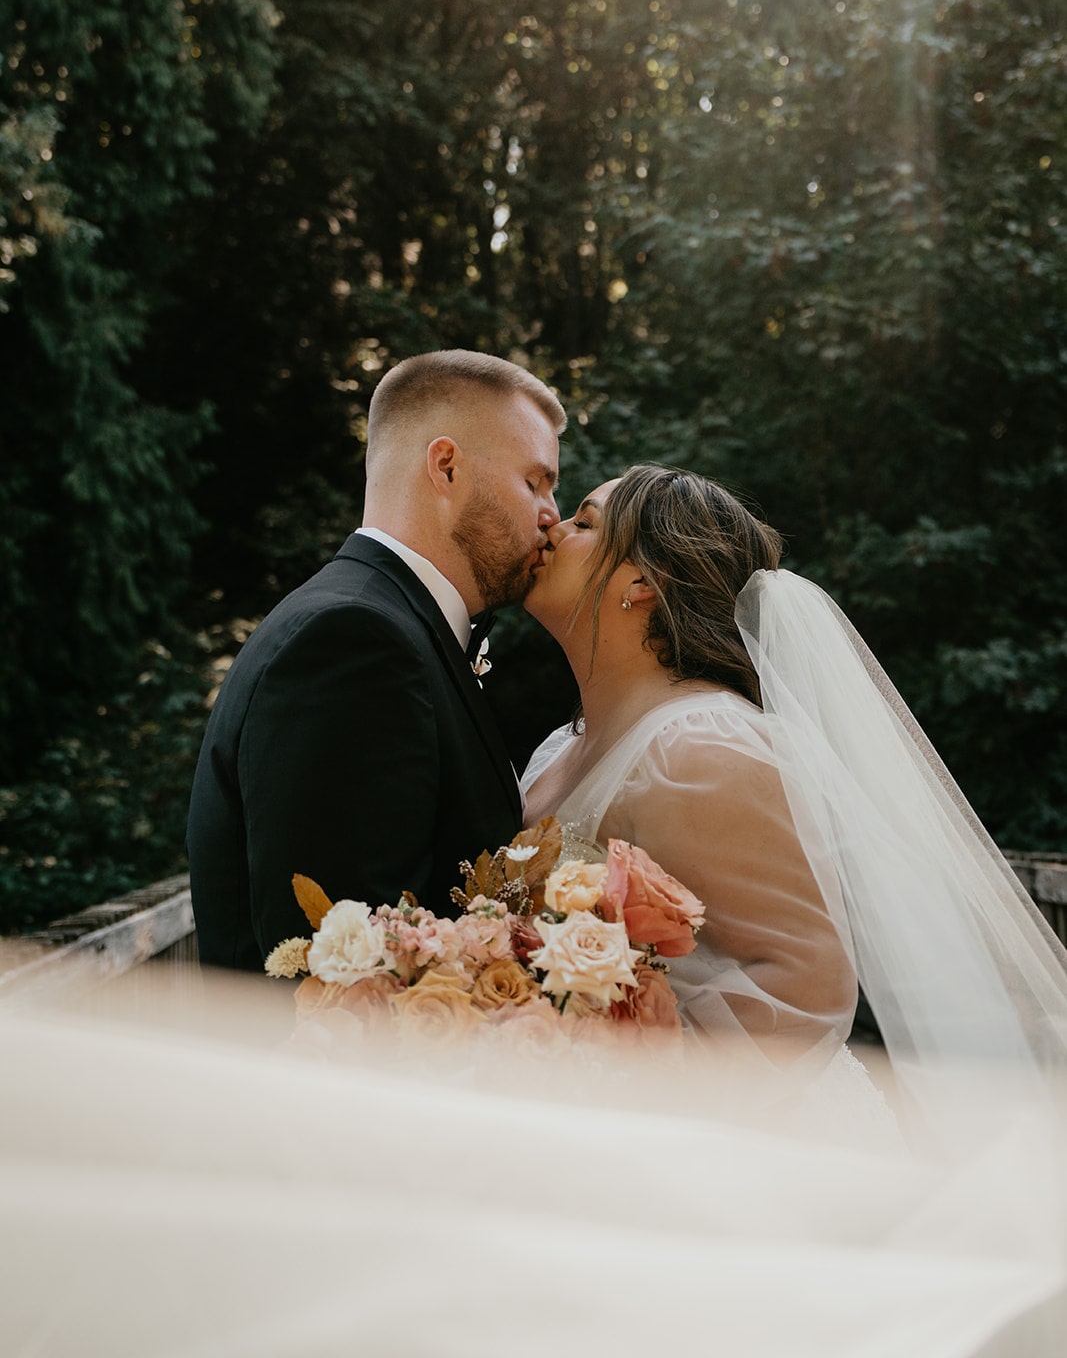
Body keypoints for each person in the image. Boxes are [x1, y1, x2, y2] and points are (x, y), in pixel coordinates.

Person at [521, 464, 1067, 1113]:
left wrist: (616, 1081)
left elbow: (803, 987)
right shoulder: (562, 746)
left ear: (642, 581)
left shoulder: (701, 747)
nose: (555, 526)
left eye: (585, 521)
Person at [187, 350, 565, 972]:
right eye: (535, 482)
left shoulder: (382, 625)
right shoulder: (352, 642)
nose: (552, 513)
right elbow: (348, 983)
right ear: (446, 467)